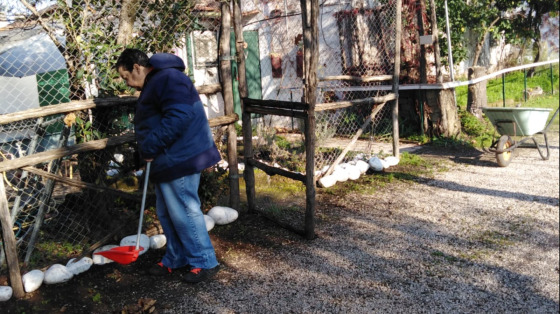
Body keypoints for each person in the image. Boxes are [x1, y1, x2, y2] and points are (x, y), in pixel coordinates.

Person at [115, 48, 221, 283]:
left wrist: (150, 145)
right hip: (168, 157)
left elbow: (179, 116)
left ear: (136, 67)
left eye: (126, 77)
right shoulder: (158, 80)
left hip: (181, 157)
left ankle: (205, 261)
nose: (128, 84)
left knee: (184, 210)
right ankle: (176, 258)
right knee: (167, 212)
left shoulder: (168, 78)